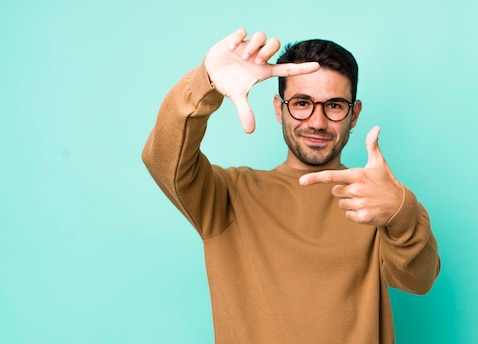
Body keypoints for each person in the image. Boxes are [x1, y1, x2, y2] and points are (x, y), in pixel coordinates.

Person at [142, 28, 440, 344]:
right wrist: (206, 83)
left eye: (335, 105)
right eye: (301, 103)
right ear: (278, 108)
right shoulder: (227, 195)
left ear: (354, 115)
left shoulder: (375, 200)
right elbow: (161, 159)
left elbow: (419, 280)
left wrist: (400, 210)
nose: (317, 121)